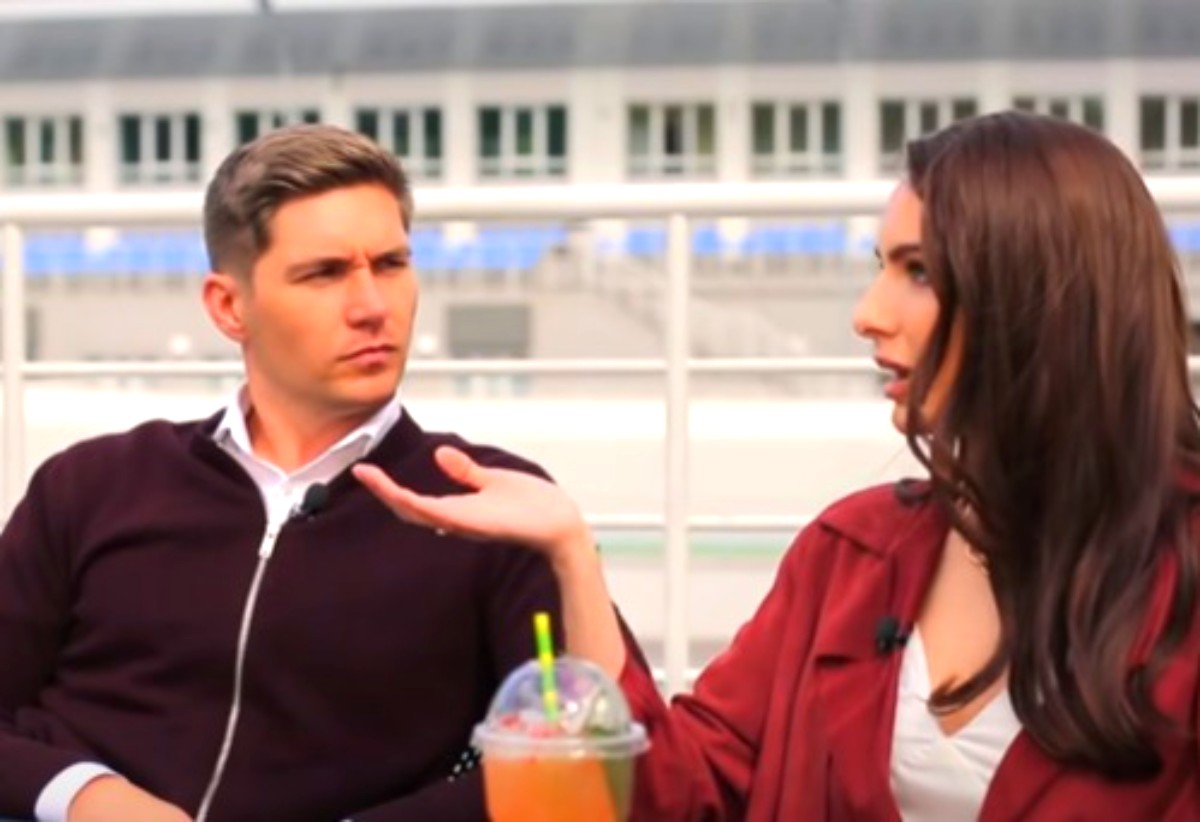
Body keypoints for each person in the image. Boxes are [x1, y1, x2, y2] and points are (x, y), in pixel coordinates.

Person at [353, 111, 1200, 820]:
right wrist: (572, 553)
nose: (867, 314)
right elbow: (681, 790)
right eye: (880, 268)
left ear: (1040, 294)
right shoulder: (848, 554)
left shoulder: (1181, 571)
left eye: (919, 272)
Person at [0, 124, 562, 822]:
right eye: (324, 273)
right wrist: (87, 796)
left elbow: (570, 767)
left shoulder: (487, 502)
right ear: (229, 307)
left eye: (391, 264)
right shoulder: (91, 485)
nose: (373, 307)